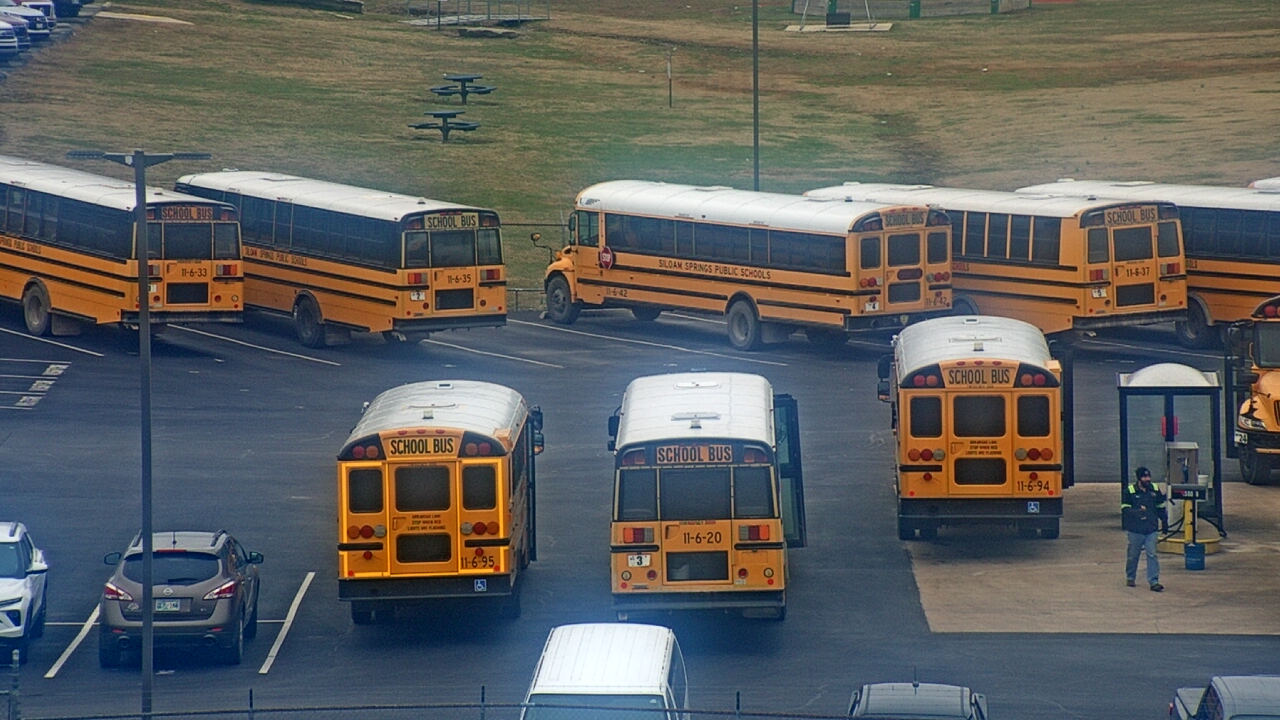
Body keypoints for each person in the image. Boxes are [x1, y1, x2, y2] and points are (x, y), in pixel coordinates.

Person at [1121, 466, 1167, 591]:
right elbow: (1125, 509)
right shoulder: (1130, 491)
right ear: (1139, 478)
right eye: (1144, 477)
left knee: (1152, 554)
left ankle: (1154, 581)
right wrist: (1138, 512)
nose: (1148, 479)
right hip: (1135, 530)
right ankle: (1130, 577)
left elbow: (1160, 506)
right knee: (1133, 555)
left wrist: (1164, 522)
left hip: (1151, 528)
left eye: (1148, 476)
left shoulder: (1154, 489)